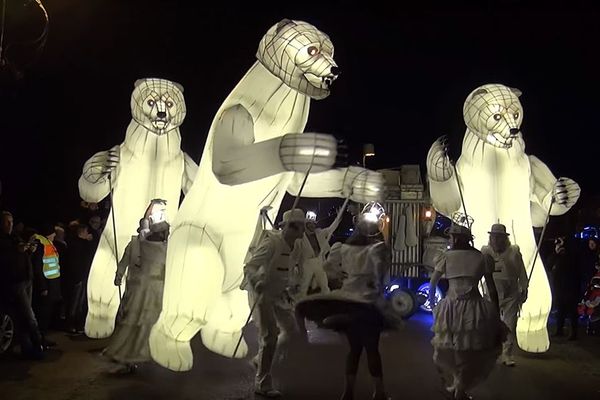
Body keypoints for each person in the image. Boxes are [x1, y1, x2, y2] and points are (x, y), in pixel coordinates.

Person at [296, 202, 393, 400]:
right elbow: (380, 273)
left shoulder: (344, 246)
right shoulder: (377, 248)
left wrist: (344, 277)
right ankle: (379, 392)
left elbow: (328, 266)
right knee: (371, 348)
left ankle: (348, 392)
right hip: (367, 303)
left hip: (348, 301)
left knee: (355, 349)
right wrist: (376, 284)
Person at [429, 224, 503, 400]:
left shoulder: (446, 257)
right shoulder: (481, 257)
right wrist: (495, 309)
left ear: (455, 238)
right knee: (469, 349)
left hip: (450, 307)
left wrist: (433, 305)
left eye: (451, 237)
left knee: (452, 347)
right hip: (475, 308)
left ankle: (458, 384)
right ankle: (459, 385)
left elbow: (432, 283)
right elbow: (491, 288)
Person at [241, 208, 307, 398]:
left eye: (301, 228)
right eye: (299, 227)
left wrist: (290, 288)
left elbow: (286, 271)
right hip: (262, 294)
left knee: (291, 330)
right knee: (270, 336)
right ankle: (262, 383)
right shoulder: (272, 242)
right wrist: (257, 281)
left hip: (279, 295)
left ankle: (261, 359)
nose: (302, 232)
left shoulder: (297, 246)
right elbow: (250, 266)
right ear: (290, 227)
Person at [104, 199, 169, 373]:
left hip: (146, 293)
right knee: (135, 323)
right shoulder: (148, 245)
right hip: (143, 293)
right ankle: (126, 356)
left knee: (139, 325)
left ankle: (132, 356)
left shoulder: (146, 244)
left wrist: (151, 205)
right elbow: (124, 262)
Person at [481, 223, 528, 367]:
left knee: (510, 324)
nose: (496, 240)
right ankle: (489, 352)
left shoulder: (514, 252)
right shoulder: (485, 251)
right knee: (489, 323)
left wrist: (525, 288)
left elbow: (522, 272)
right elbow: (478, 269)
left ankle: (507, 354)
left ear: (504, 238)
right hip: (490, 292)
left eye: (499, 237)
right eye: (494, 237)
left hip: (511, 294)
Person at [0, 211, 44, 359]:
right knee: (29, 316)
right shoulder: (4, 241)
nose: (10, 225)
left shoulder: (14, 237)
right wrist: (17, 251)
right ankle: (38, 345)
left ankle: (28, 348)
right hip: (15, 282)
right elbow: (7, 259)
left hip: (26, 280)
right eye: (7, 222)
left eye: (11, 222)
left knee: (24, 317)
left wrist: (29, 251)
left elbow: (22, 257)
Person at [298, 207, 345, 296]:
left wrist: (339, 217)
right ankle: (298, 304)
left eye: (313, 224)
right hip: (307, 263)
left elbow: (331, 228)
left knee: (324, 284)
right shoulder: (300, 237)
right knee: (303, 286)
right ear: (306, 224)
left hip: (319, 260)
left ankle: (327, 303)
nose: (312, 226)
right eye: (310, 224)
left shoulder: (319, 233)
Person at [31, 224, 63, 348]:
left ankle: (42, 339)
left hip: (52, 284)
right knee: (42, 314)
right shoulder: (41, 245)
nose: (55, 235)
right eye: (53, 232)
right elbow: (38, 267)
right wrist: (43, 287)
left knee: (47, 314)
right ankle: (39, 341)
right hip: (47, 285)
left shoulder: (47, 244)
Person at [65, 223, 95, 333]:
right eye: (86, 231)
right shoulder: (77, 244)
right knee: (75, 302)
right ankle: (71, 324)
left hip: (81, 276)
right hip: (78, 277)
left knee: (79, 302)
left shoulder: (80, 244)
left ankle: (77, 324)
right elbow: (76, 262)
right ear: (82, 232)